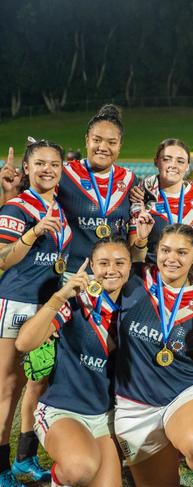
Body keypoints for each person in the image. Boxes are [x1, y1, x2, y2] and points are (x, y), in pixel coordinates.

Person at [114, 223, 193, 487]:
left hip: (185, 390)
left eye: (182, 253)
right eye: (165, 250)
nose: (171, 259)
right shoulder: (134, 280)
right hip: (135, 403)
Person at [15, 237, 131, 487]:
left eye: (120, 262)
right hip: (62, 410)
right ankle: (59, 480)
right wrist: (60, 296)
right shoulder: (76, 301)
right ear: (91, 266)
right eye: (103, 263)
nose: (111, 269)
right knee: (80, 468)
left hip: (106, 417)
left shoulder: (135, 305)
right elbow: (24, 343)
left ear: (131, 266)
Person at [0, 139, 71, 486]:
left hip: (45, 306)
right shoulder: (18, 207)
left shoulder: (61, 205)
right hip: (15, 303)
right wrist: (32, 233)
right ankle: (0, 469)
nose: (47, 169)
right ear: (27, 168)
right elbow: (1, 258)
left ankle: (24, 459)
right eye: (40, 163)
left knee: (37, 381)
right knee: (7, 388)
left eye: (54, 164)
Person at [56, 104, 137, 278]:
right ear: (87, 140)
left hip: (113, 276)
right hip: (71, 274)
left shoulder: (129, 179)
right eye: (97, 140)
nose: (103, 147)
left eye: (111, 142)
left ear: (120, 145)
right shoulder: (64, 173)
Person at [130, 138, 193, 264]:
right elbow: (135, 258)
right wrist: (141, 240)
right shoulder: (141, 200)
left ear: (187, 166)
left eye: (180, 161)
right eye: (166, 159)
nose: (173, 165)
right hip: (156, 278)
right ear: (156, 161)